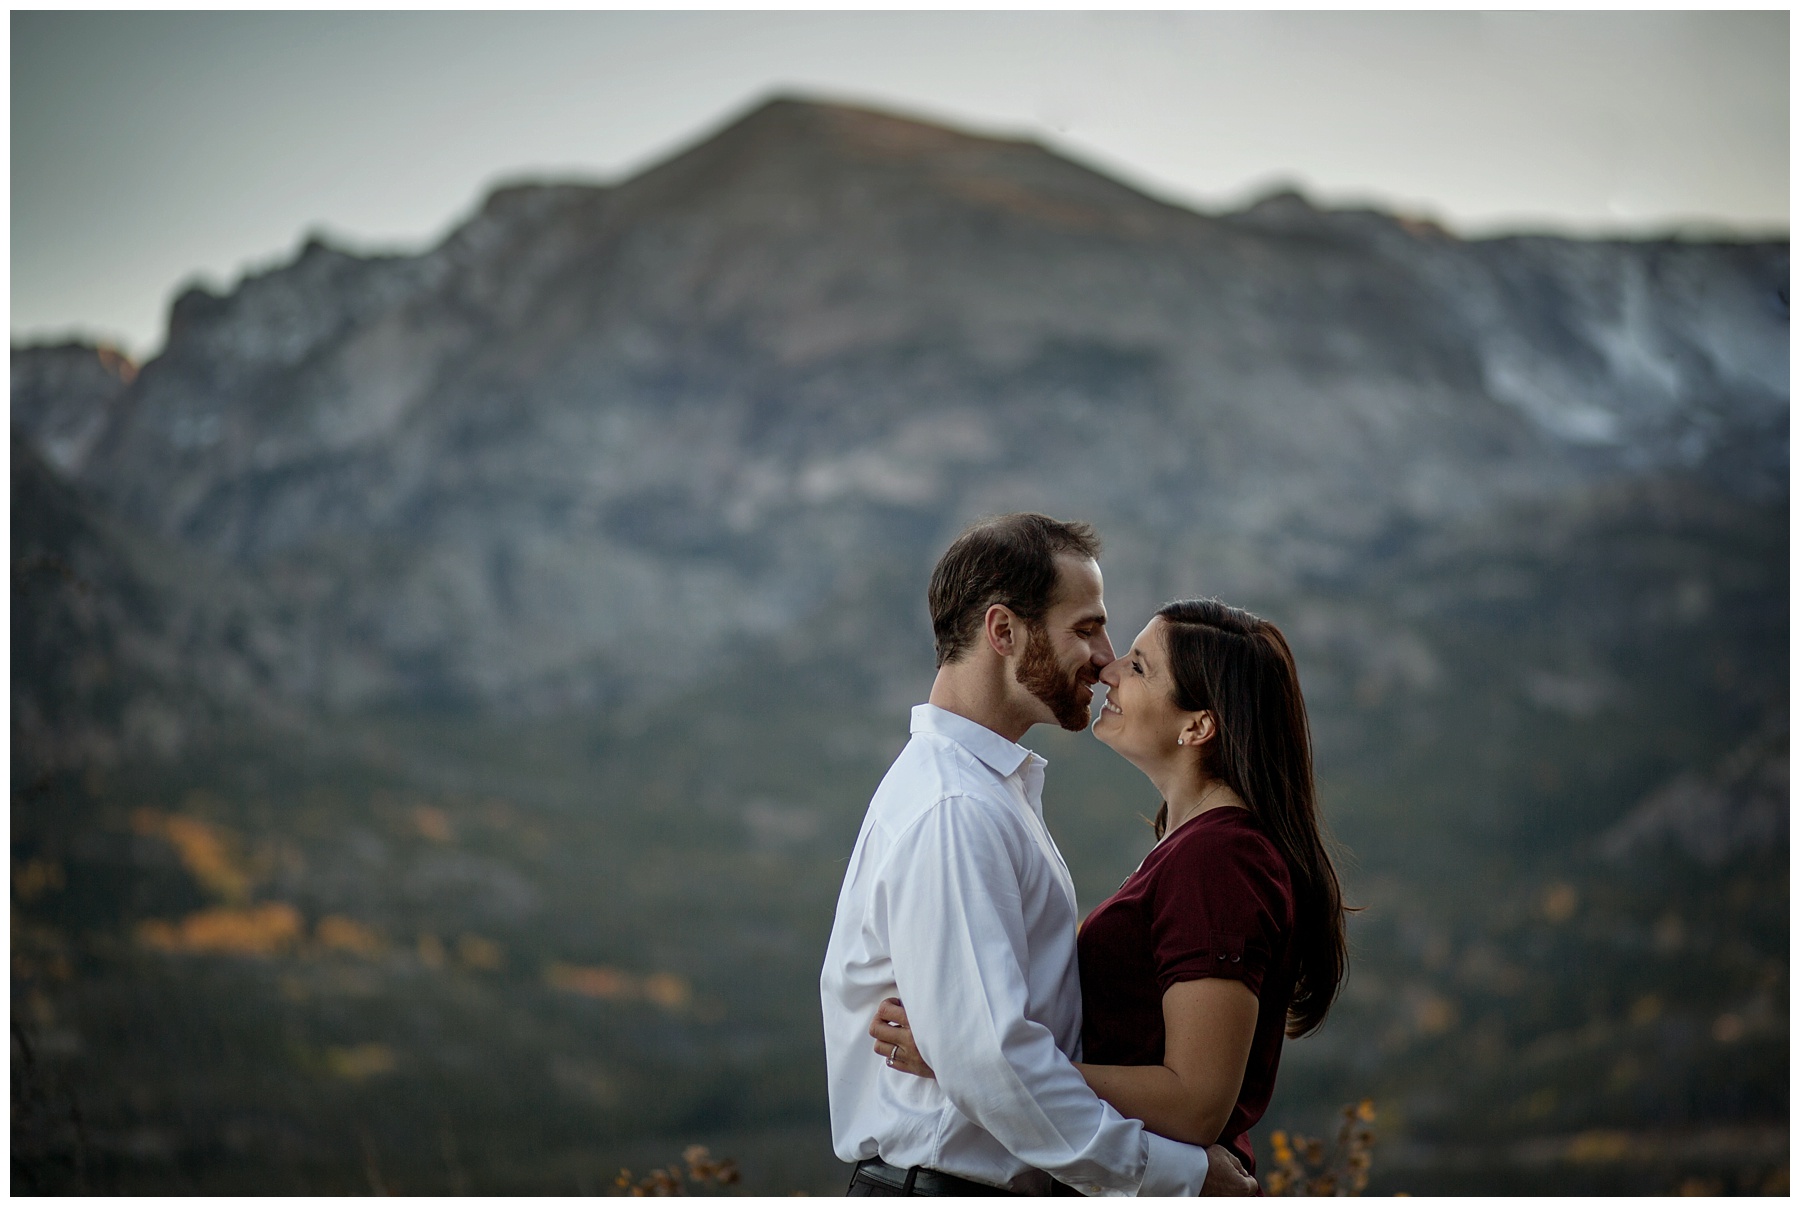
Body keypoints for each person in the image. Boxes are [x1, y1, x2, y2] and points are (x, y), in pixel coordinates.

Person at [820, 514, 1257, 1197]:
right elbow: (990, 1060)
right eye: (1085, 627)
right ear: (1004, 632)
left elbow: (981, 1053)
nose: (1106, 656)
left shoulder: (987, 793)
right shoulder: (956, 809)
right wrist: (1183, 1178)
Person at [871, 598, 1349, 1179]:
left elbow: (1195, 1104)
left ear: (1197, 725)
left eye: (1140, 667)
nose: (1109, 670)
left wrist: (969, 1060)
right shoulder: (1197, 846)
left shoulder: (1220, 858)